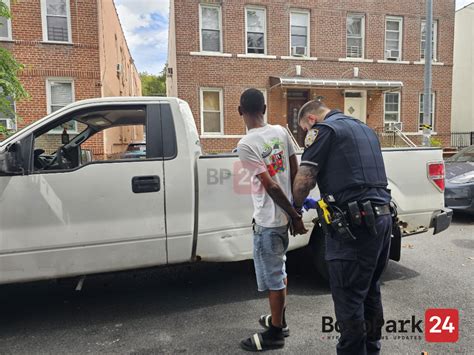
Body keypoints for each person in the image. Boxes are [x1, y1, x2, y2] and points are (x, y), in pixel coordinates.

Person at [292, 100, 393, 355]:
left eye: (304, 128)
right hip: (382, 220)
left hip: (354, 228)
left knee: (349, 300)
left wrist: (294, 206)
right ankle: (372, 349)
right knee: (369, 292)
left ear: (312, 121)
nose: (306, 133)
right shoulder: (365, 129)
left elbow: (304, 180)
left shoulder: (324, 131)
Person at [237, 89, 307, 352]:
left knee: (274, 277)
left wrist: (294, 215)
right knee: (280, 270)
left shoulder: (246, 145)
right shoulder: (280, 131)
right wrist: (295, 210)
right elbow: (295, 171)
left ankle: (275, 333)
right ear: (265, 107)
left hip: (268, 221)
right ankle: (280, 319)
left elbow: (271, 187)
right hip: (282, 219)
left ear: (240, 111)